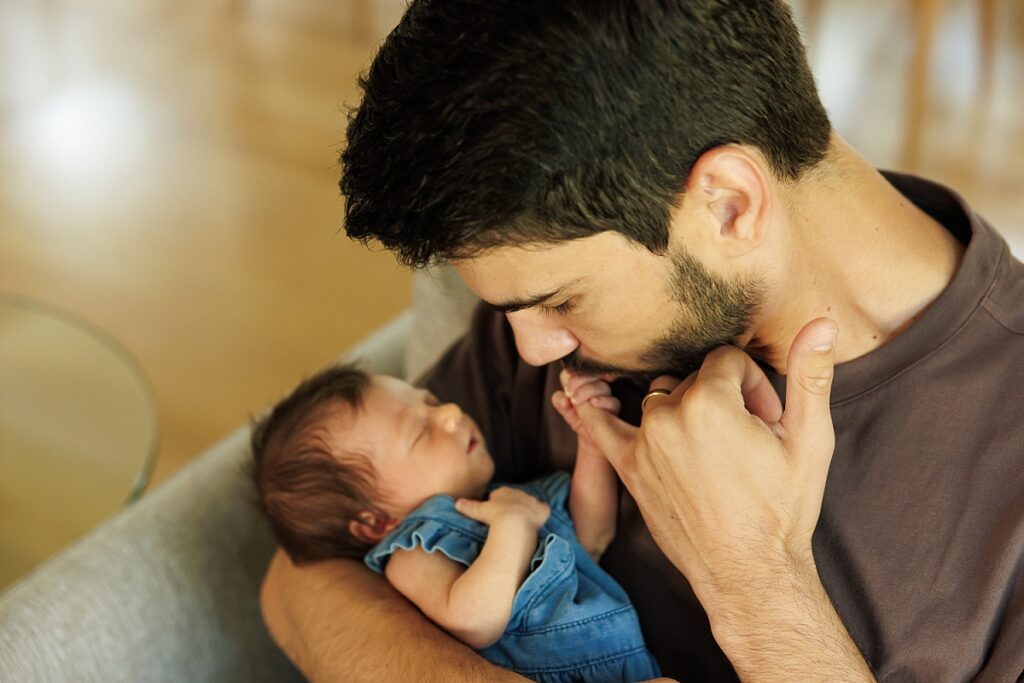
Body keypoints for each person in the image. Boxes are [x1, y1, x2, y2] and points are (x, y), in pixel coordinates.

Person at [260, 1, 1024, 680]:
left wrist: (757, 583)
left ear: (729, 205)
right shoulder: (574, 340)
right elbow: (299, 587)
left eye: (559, 300)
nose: (530, 349)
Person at [250, 364, 661, 682]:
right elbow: (473, 621)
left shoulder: (506, 500)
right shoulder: (413, 551)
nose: (449, 412)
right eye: (420, 432)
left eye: (430, 401)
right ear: (376, 522)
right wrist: (513, 526)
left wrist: (591, 444)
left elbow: (592, 537)